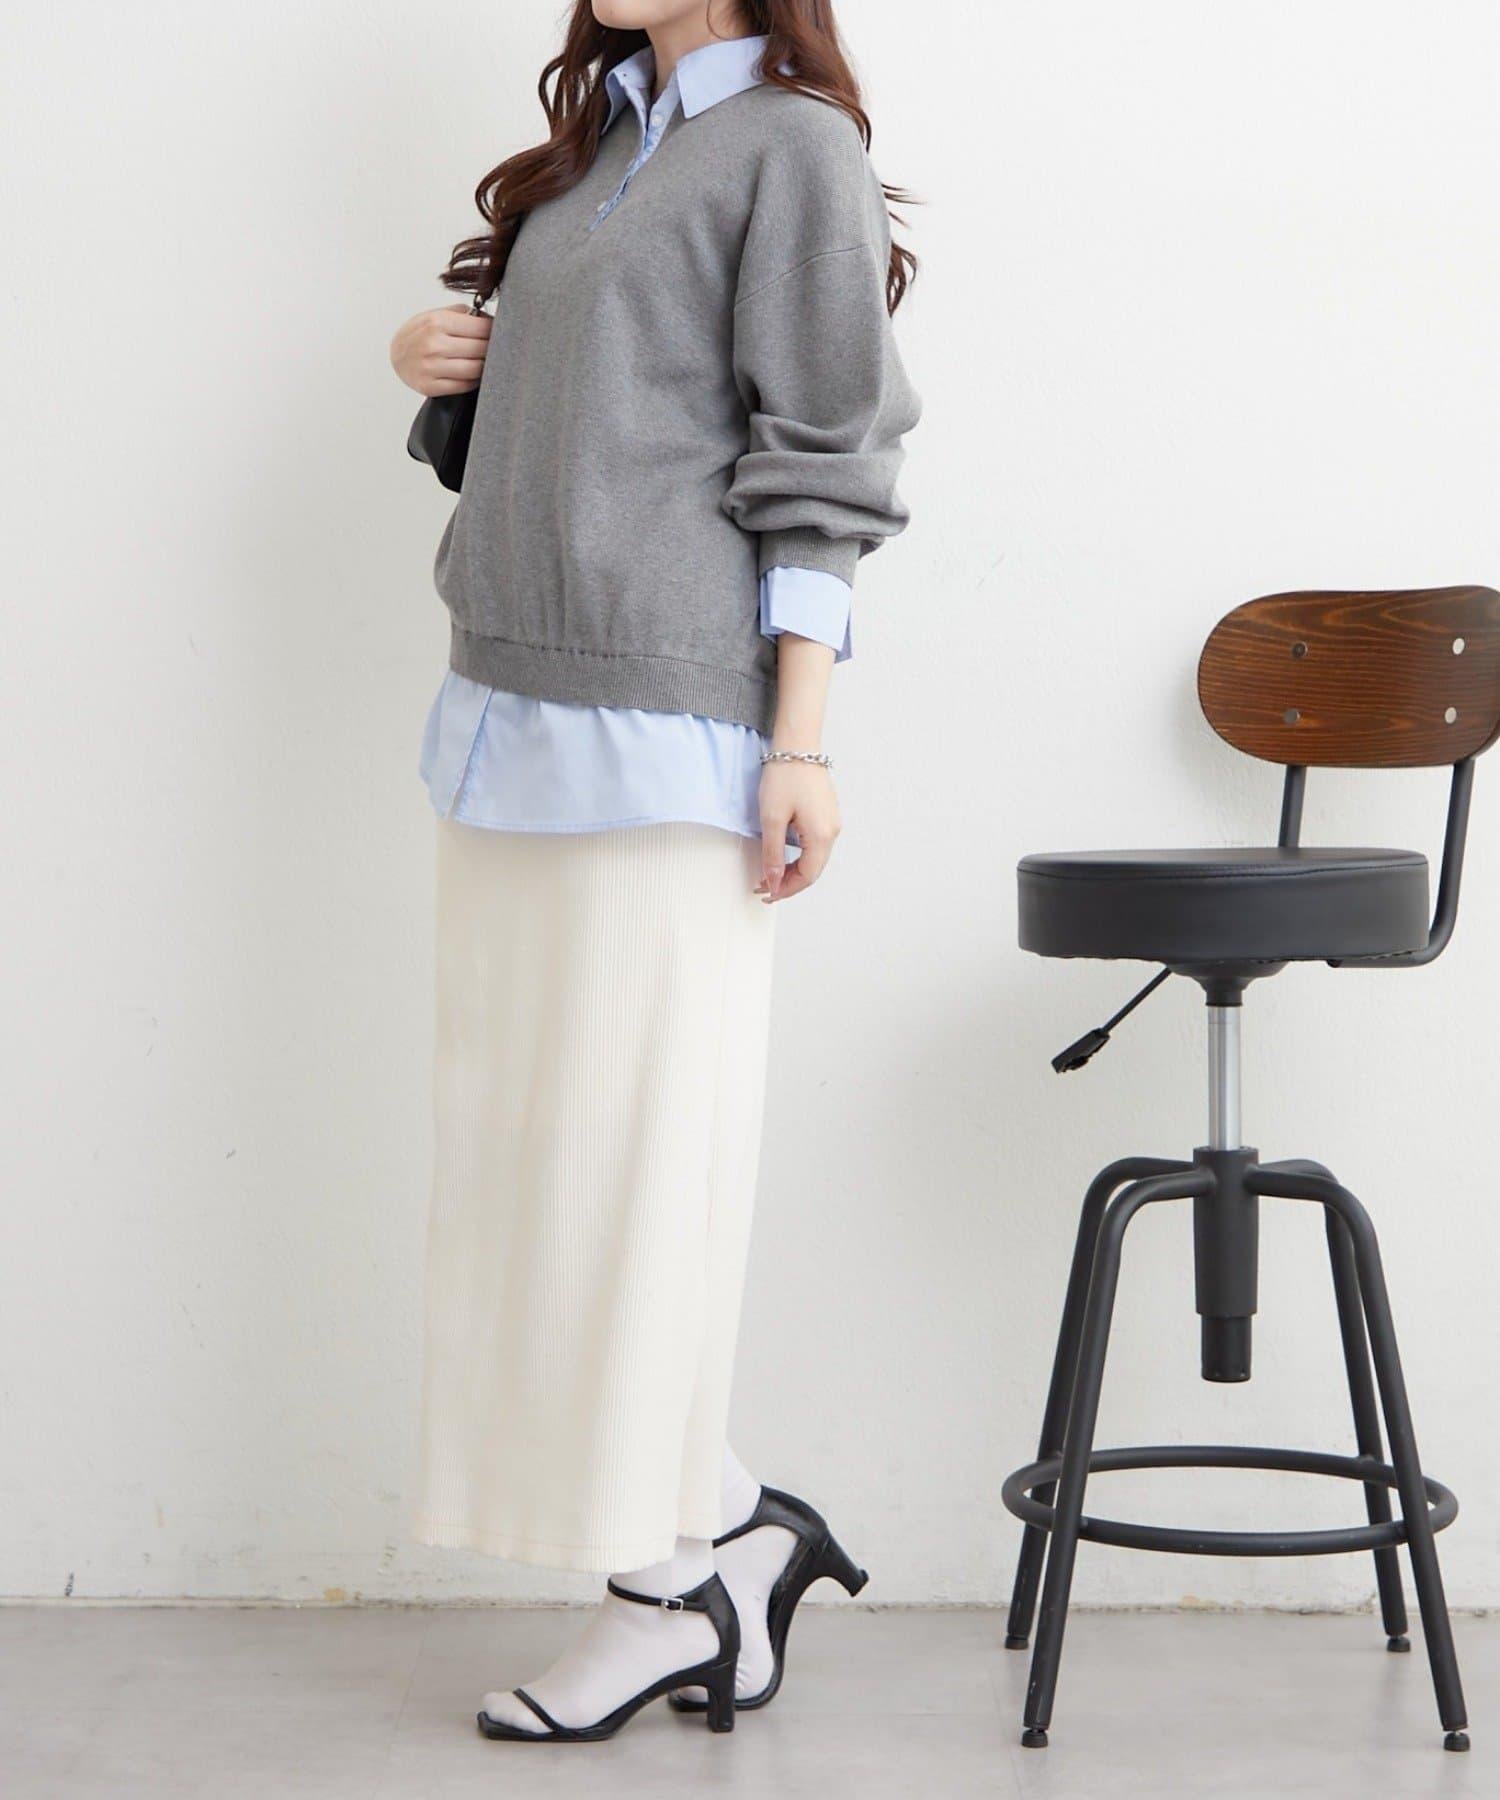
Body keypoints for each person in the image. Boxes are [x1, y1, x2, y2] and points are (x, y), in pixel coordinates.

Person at [390, 0, 919, 1742]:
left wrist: (801, 743)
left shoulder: (794, 149)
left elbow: (826, 458)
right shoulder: (603, 146)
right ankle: (735, 1537)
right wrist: (445, 366)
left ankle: (663, 1593)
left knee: (632, 1186)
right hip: (504, 714)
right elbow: (597, 431)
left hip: (672, 731)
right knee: (528, 1181)